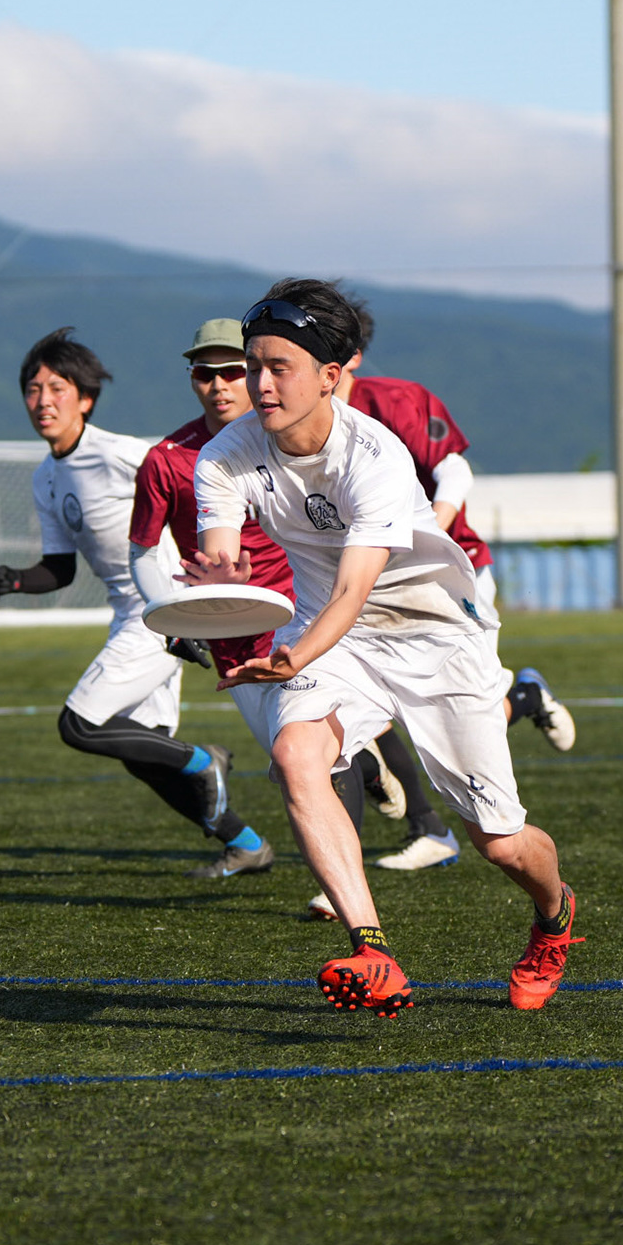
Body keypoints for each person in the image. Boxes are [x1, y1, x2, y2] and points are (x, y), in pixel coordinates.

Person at [186, 279, 581, 1015]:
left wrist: (293, 657)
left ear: (330, 376)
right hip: (333, 632)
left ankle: (554, 916)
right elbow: (222, 552)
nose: (259, 384)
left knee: (499, 841)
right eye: (253, 366)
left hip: (434, 632)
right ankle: (372, 952)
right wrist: (218, 584)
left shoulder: (376, 457)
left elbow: (354, 590)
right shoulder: (223, 456)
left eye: (279, 368)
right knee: (295, 756)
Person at [0, 327, 274, 879]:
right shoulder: (46, 477)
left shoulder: (122, 454)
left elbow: (190, 481)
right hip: (131, 613)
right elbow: (60, 569)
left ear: (86, 399)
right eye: (33, 390)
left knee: (79, 726)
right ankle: (247, 843)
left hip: (162, 608)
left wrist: (189, 604)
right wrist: (15, 580)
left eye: (57, 389)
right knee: (143, 756)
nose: (43, 402)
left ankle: (204, 759)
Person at [126, 318, 406, 879]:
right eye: (205, 374)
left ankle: (343, 890)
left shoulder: (300, 436)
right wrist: (180, 615)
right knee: (290, 760)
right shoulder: (169, 458)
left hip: (303, 618)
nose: (221, 385)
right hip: (232, 637)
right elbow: (141, 551)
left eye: (236, 370)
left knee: (314, 762)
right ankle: (370, 769)